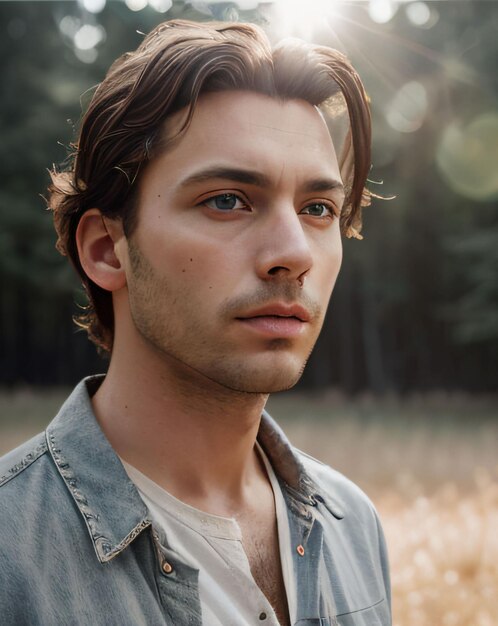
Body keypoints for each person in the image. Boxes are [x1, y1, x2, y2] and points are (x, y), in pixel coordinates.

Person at [0, 19, 391, 626]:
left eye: (319, 209)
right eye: (228, 200)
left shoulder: (353, 523)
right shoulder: (10, 556)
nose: (294, 252)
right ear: (106, 248)